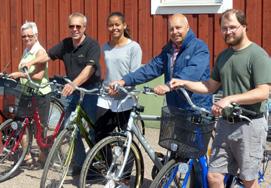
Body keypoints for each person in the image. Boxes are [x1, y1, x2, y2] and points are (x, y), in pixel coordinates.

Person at [170, 9, 271, 188]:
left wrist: (230, 99)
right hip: (225, 124)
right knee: (214, 176)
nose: (228, 32)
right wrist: (184, 83)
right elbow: (210, 86)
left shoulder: (257, 55)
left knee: (248, 179)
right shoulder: (224, 57)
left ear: (244, 27)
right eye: (224, 28)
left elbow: (263, 92)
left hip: (250, 125)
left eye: (233, 27)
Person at [24, 12, 101, 175]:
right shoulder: (66, 44)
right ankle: (80, 163)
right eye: (71, 26)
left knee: (91, 130)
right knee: (69, 127)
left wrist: (74, 83)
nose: (74, 29)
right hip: (72, 90)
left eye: (78, 26)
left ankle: (94, 165)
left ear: (84, 27)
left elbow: (89, 69)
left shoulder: (92, 45)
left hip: (90, 90)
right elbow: (48, 56)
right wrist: (31, 62)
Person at [110, 13, 211, 112]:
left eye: (178, 27)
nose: (175, 32)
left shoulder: (199, 47)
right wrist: (124, 81)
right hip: (174, 108)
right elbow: (150, 69)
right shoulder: (168, 50)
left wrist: (168, 86)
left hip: (195, 108)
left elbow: (191, 73)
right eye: (171, 29)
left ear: (187, 27)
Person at [94, 12, 142, 141]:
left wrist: (120, 88)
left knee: (126, 138)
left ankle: (128, 161)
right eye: (111, 25)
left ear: (124, 25)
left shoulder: (133, 47)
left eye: (117, 24)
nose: (114, 28)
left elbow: (135, 75)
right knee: (99, 135)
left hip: (125, 97)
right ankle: (107, 161)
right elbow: (104, 71)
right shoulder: (105, 47)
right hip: (106, 97)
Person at [9, 21, 51, 166]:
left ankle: (43, 156)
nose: (27, 39)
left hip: (40, 94)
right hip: (26, 92)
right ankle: (26, 155)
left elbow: (39, 76)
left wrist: (19, 75)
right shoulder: (27, 50)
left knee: (40, 127)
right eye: (24, 36)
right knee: (22, 124)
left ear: (36, 35)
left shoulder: (40, 51)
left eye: (30, 36)